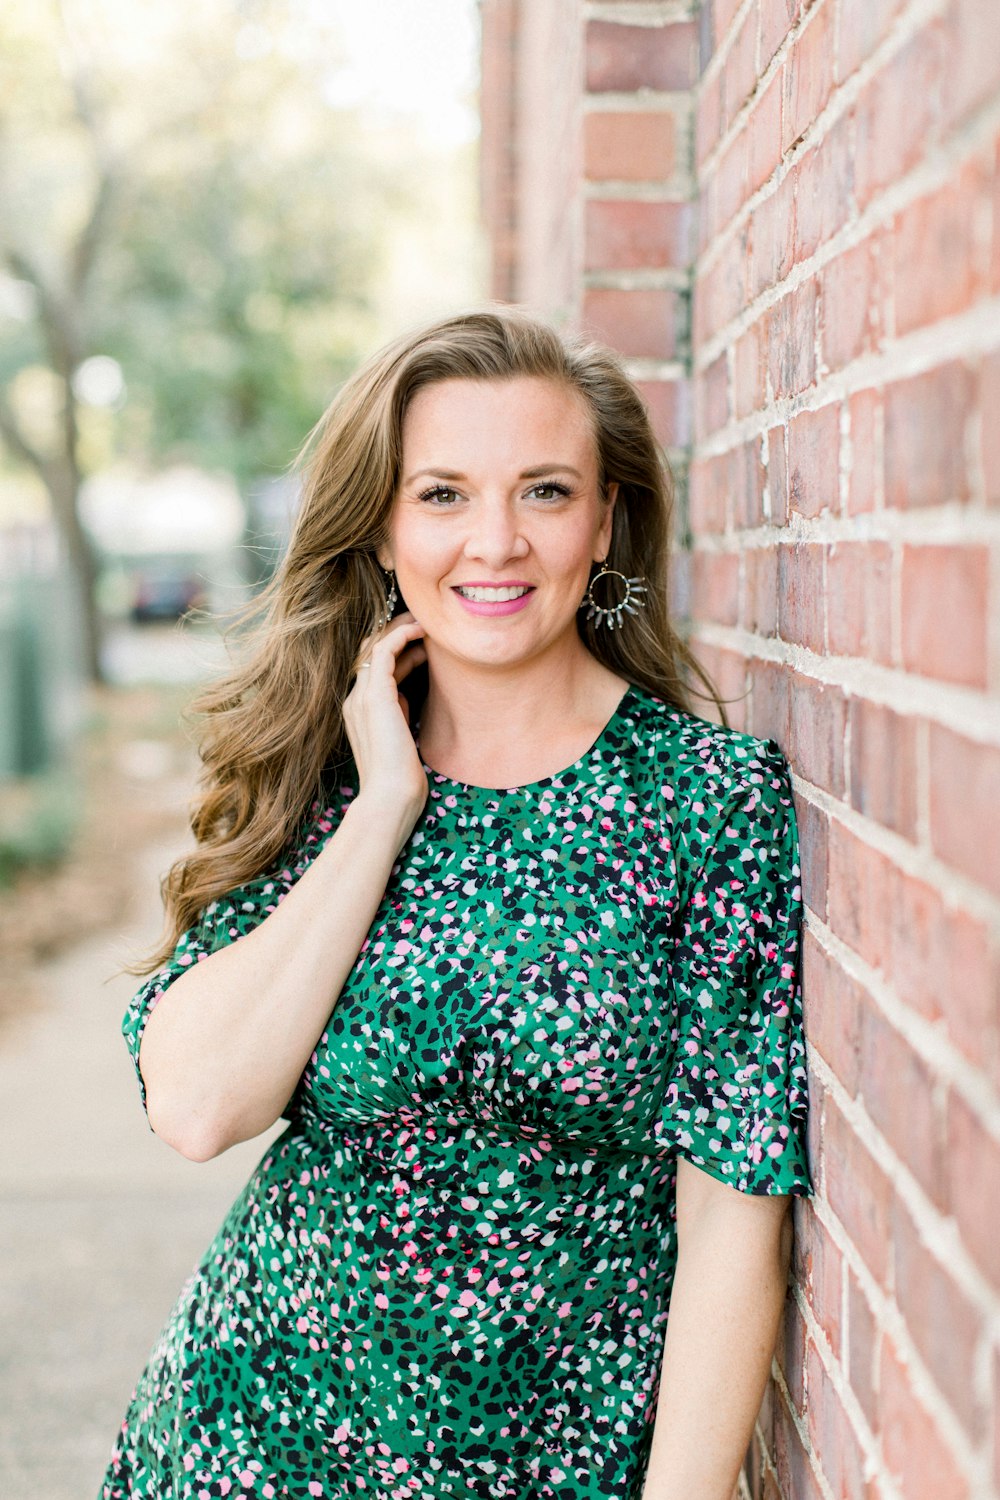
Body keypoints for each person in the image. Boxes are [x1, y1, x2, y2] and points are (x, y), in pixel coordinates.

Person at [99, 306, 810, 1500]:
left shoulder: (706, 803)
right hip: (251, 1441)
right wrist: (384, 807)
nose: (495, 542)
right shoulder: (319, 781)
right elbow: (201, 1104)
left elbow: (736, 1223)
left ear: (603, 525)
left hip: (555, 1462)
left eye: (543, 492)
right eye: (441, 495)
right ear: (379, 529)